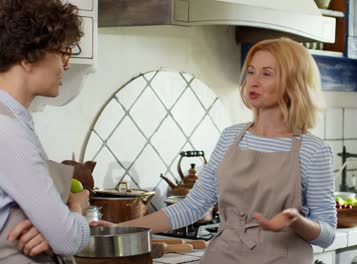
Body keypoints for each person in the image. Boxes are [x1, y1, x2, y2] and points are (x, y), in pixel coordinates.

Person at [92, 37, 336, 263]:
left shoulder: (313, 150)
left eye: (267, 74)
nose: (253, 81)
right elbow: (193, 206)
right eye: (251, 71)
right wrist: (120, 230)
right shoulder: (231, 137)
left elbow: (327, 234)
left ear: (292, 83)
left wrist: (297, 221)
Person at [0, 0, 90, 262]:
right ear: (29, 57)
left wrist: (49, 228)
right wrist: (76, 207)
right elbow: (69, 239)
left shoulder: (14, 121)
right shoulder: (8, 130)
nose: (66, 65)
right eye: (63, 53)